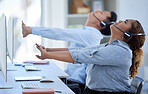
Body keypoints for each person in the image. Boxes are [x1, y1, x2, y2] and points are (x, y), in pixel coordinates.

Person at [35, 19, 145, 94]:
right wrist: (49, 50)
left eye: (125, 22)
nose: (120, 21)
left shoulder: (120, 51)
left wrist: (48, 55)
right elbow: (80, 51)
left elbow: (82, 56)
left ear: (126, 35)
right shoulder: (108, 46)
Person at [22, 10, 117, 94]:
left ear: (102, 24)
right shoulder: (86, 32)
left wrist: (30, 30)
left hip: (76, 85)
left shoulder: (90, 34)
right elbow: (73, 51)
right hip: (71, 81)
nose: (96, 10)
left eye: (101, 13)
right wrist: (48, 51)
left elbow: (60, 33)